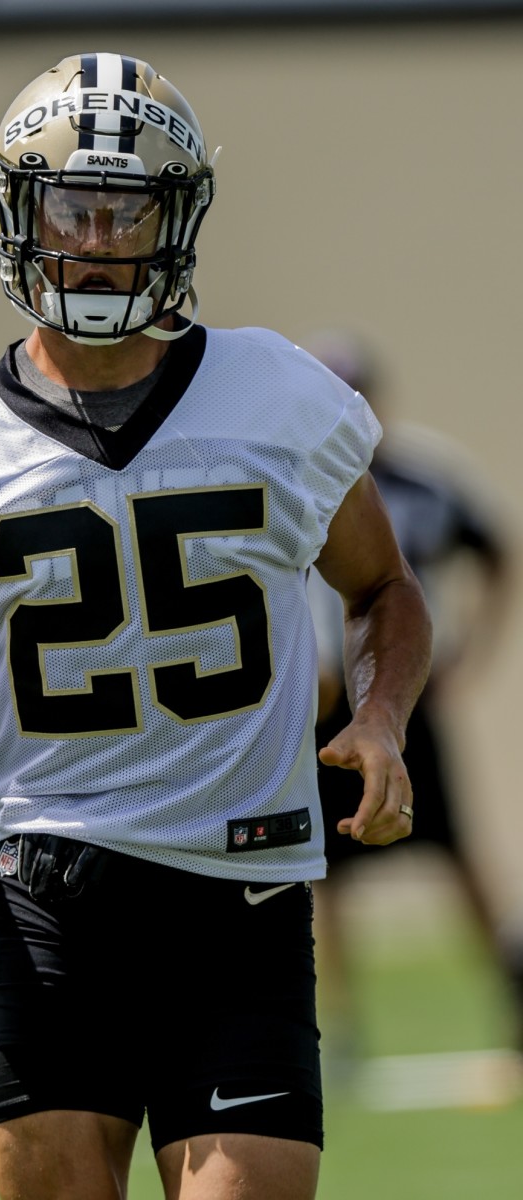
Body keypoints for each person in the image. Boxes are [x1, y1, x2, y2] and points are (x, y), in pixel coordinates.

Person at [0, 54, 431, 1200]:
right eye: (68, 206)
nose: (94, 238)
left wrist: (382, 715)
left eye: (125, 207)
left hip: (238, 894)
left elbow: (384, 590)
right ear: (15, 212)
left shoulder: (277, 397)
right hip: (50, 895)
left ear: (176, 216)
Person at [302, 329, 520, 1064]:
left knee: (457, 850)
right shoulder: (293, 478)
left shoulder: (426, 478)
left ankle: (511, 997)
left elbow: (494, 551)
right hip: (329, 704)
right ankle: (343, 1025)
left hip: (403, 699)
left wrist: (472, 654)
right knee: (325, 864)